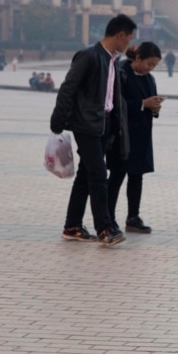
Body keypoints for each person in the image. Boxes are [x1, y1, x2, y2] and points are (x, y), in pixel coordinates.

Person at [49, 14, 136, 247]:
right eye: (128, 38)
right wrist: (57, 122)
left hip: (103, 125)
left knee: (86, 175)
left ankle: (72, 225)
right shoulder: (88, 56)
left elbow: (112, 97)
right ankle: (105, 229)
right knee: (98, 174)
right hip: (86, 125)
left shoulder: (112, 60)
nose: (129, 43)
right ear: (119, 35)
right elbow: (68, 88)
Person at [107, 42, 163, 234]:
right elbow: (114, 103)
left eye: (154, 66)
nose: (150, 69)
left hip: (142, 135)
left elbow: (150, 104)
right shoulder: (121, 73)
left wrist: (154, 107)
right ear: (138, 58)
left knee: (136, 176)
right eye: (149, 64)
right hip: (122, 135)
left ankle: (133, 217)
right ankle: (108, 219)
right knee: (116, 176)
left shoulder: (150, 79)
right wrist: (141, 104)